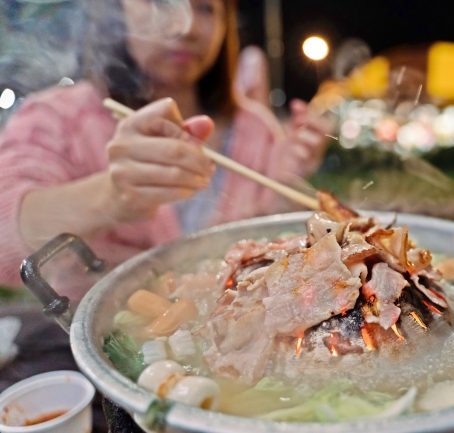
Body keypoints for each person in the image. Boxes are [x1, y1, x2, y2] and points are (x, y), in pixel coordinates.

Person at [0, 0, 331, 297]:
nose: (187, 27)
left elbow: (267, 244)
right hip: (99, 337)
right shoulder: (56, 117)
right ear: (117, 10)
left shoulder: (254, 127)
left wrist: (285, 183)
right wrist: (111, 196)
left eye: (206, 8)